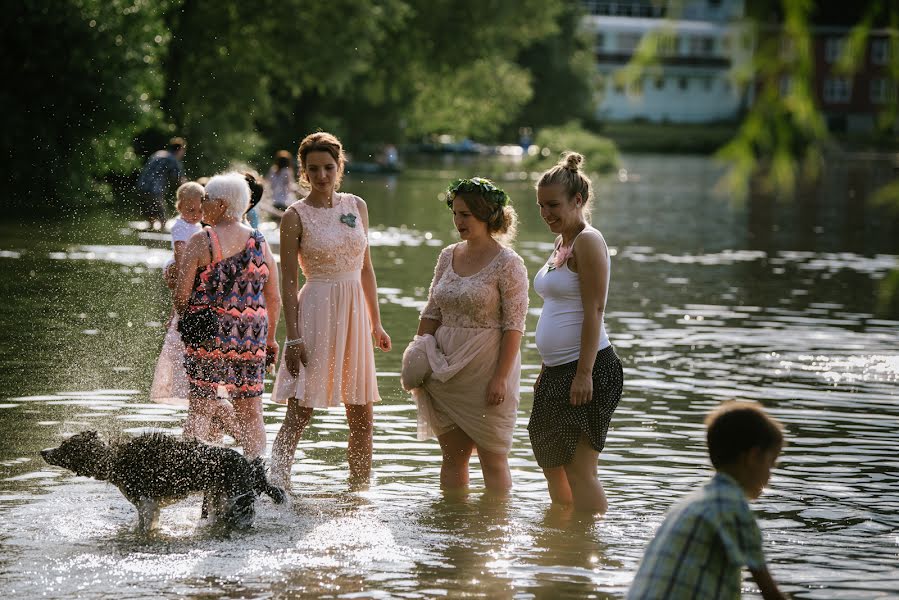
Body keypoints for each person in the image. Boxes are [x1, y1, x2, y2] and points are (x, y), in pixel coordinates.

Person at [270, 132, 392, 488]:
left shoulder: (357, 206)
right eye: (313, 169)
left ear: (340, 167)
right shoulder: (295, 215)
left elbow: (366, 268)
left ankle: (358, 494)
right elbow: (289, 282)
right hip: (316, 311)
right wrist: (292, 338)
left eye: (328, 167)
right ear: (303, 172)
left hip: (355, 311)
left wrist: (377, 323)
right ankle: (275, 486)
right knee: (300, 411)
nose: (322, 175)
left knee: (362, 415)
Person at [403, 177, 528, 493]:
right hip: (443, 368)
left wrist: (500, 378)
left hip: (487, 370)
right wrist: (416, 358)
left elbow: (514, 326)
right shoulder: (448, 255)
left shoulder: (509, 263)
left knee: (493, 459)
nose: (459, 221)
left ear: (487, 216)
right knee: (452, 458)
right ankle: (452, 529)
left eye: (466, 215)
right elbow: (432, 312)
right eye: (455, 213)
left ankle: (494, 531)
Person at [528, 151, 623, 513]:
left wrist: (583, 374)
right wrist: (545, 368)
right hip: (557, 370)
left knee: (580, 469)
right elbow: (558, 309)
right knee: (550, 458)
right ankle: (565, 542)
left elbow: (594, 310)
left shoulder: (588, 241)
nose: (545, 214)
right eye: (540, 206)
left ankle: (590, 546)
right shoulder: (561, 243)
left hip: (592, 368)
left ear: (578, 200)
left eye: (553, 205)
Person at [628, 401, 787, 600]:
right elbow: (771, 594)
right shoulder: (733, 508)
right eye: (771, 463)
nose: (770, 476)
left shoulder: (690, 503)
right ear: (753, 457)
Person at [173, 172, 281, 458]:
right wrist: (269, 340)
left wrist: (178, 291)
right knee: (251, 413)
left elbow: (182, 297)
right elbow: (274, 298)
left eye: (206, 199)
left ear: (221, 205)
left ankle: (191, 475)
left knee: (201, 408)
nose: (202, 204)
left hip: (208, 335)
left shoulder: (201, 240)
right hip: (251, 337)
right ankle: (255, 477)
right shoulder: (260, 242)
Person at [150, 181, 204, 405]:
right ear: (180, 207)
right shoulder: (180, 227)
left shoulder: (201, 226)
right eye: (190, 210)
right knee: (183, 303)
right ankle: (175, 315)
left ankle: (175, 315)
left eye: (200, 210)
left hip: (192, 270)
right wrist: (188, 276)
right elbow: (181, 253)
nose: (195, 215)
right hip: (181, 268)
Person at [136, 137, 187, 229]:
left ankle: (147, 240)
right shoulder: (173, 159)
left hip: (141, 188)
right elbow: (180, 180)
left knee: (150, 219)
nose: (183, 154)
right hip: (154, 190)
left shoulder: (158, 154)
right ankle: (160, 241)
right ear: (179, 150)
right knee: (163, 220)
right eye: (183, 151)